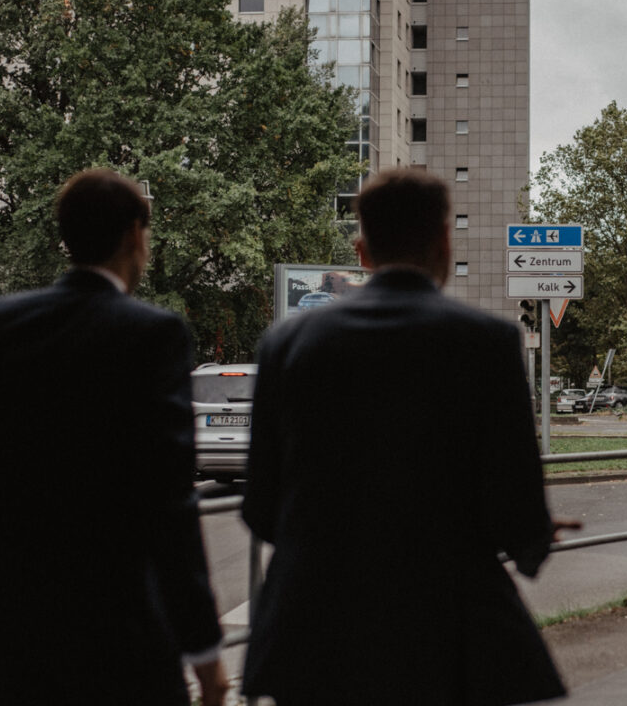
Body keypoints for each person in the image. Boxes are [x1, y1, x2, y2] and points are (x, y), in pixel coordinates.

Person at [241, 169, 578, 705]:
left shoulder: (286, 343)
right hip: (445, 636)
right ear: (444, 241)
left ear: (362, 251)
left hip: (313, 634)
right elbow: (515, 506)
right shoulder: (486, 343)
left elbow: (261, 507)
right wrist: (531, 537)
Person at [0, 169, 228, 705]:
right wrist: (205, 654)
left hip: (3, 615)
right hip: (112, 621)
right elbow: (167, 504)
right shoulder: (152, 335)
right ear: (136, 234)